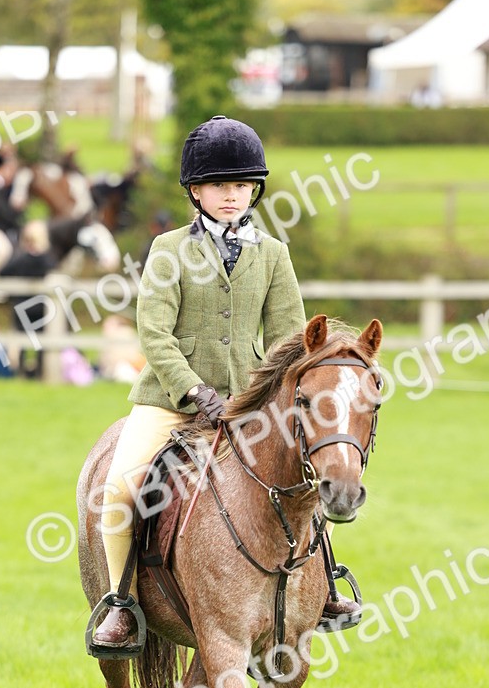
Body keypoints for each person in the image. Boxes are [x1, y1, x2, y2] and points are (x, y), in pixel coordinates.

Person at [91, 114, 362, 652]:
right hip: (172, 400)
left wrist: (272, 396)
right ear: (196, 191)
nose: (232, 195)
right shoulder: (168, 250)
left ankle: (325, 585)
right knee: (120, 487)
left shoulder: (273, 253)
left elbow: (289, 339)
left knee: (314, 477)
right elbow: (154, 333)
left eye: (241, 185)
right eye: (219, 185)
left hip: (249, 402)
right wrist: (195, 391)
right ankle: (122, 603)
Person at [0, 220, 57, 377]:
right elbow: (53, 270)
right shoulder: (47, 258)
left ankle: (21, 372)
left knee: (22, 342)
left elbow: (4, 271)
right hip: (41, 307)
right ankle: (40, 371)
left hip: (22, 305)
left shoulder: (21, 258)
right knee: (42, 342)